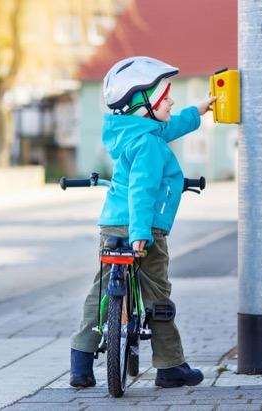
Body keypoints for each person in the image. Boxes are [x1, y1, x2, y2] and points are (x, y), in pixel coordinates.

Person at [70, 56, 217, 389]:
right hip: (144, 228)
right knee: (157, 294)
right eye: (165, 97)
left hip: (111, 226)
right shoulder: (149, 145)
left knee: (102, 290)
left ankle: (80, 363)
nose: (172, 101)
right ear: (143, 106)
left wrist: (199, 110)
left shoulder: (131, 133)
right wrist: (140, 234)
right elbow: (142, 190)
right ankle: (169, 366)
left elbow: (169, 126)